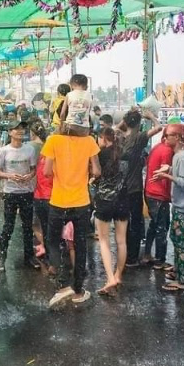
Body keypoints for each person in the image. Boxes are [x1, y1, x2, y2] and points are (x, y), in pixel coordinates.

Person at [41, 129, 101, 308]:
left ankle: (63, 284)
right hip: (81, 202)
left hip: (59, 201)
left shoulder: (53, 140)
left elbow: (46, 171)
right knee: (81, 243)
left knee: (53, 241)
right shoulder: (89, 140)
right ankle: (78, 289)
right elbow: (97, 171)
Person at [152, 125, 184, 291]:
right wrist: (170, 169)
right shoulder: (180, 156)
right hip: (181, 204)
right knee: (176, 238)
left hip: (183, 206)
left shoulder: (182, 157)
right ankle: (179, 271)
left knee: (181, 242)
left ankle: (182, 280)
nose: (165, 138)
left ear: (178, 137)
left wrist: (167, 176)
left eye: (169, 135)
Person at [0, 121, 39, 271]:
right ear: (10, 132)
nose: (20, 131)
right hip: (10, 193)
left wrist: (29, 176)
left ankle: (29, 257)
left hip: (27, 192)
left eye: (22, 129)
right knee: (8, 226)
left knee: (27, 227)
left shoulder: (30, 149)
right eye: (16, 129)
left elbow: (34, 169)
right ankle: (1, 258)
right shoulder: (4, 151)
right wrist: (10, 176)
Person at [119, 109, 162, 267]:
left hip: (119, 188)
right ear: (139, 123)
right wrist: (151, 115)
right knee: (135, 223)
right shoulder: (139, 138)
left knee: (123, 222)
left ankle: (123, 255)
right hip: (134, 188)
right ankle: (131, 258)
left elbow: (116, 128)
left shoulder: (120, 137)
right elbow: (158, 127)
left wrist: (126, 117)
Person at [92, 126, 128, 294]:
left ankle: (110, 278)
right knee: (121, 241)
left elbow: (96, 174)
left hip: (105, 202)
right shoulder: (125, 154)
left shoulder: (101, 154)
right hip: (123, 201)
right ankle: (118, 275)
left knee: (104, 241)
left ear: (104, 139)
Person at [142, 128, 179, 268]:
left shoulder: (158, 146)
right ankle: (160, 260)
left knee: (154, 224)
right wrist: (169, 195)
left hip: (150, 192)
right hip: (158, 194)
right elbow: (164, 176)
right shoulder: (167, 151)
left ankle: (147, 254)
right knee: (162, 227)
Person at [31, 124, 53, 263]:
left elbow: (44, 173)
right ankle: (49, 252)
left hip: (46, 196)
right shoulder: (46, 156)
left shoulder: (45, 157)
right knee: (48, 226)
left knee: (47, 226)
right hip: (44, 196)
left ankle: (50, 255)